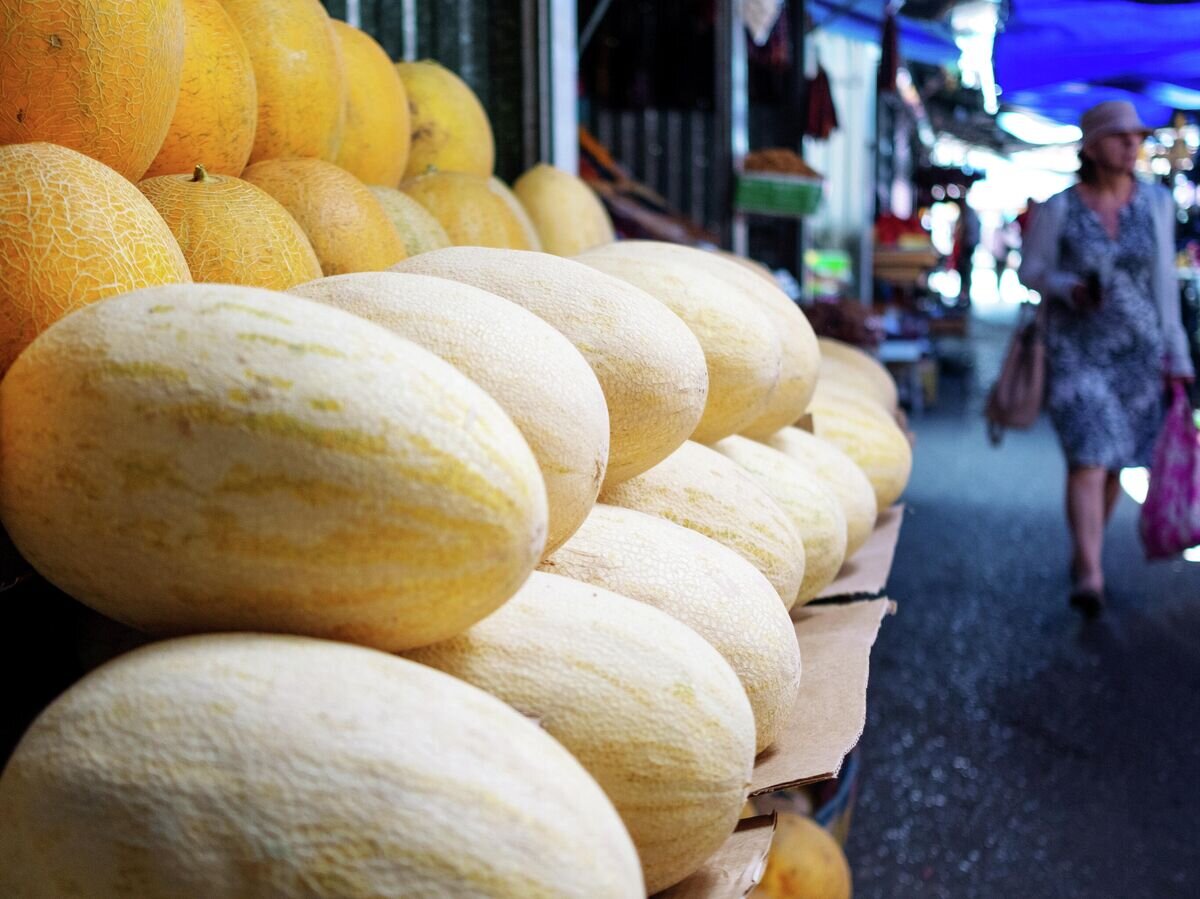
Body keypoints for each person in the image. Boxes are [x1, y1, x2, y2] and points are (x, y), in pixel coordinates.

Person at [1018, 100, 1195, 617]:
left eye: (1136, 137)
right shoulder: (1059, 207)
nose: (1131, 145)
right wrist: (1066, 286)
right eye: (1119, 137)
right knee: (1089, 457)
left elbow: (1164, 283)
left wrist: (1176, 352)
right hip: (1077, 352)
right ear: (1092, 147)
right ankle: (1091, 572)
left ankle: (1085, 555)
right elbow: (1031, 270)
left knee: (1114, 461)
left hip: (1140, 355)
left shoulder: (1158, 204)